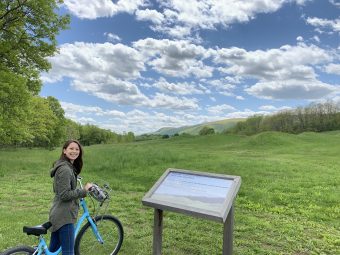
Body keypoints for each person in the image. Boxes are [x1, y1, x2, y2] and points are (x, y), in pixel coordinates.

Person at [49, 140, 92, 255]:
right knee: (68, 252)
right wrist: (83, 191)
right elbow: (65, 195)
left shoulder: (67, 167)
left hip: (58, 213)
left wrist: (74, 179)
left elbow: (62, 188)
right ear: (64, 150)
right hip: (65, 217)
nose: (74, 151)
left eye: (77, 149)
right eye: (71, 148)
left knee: (52, 250)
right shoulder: (65, 169)